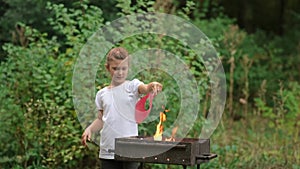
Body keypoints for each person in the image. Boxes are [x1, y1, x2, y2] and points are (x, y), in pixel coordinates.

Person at [81, 47, 163, 169]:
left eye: (123, 68)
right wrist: (90, 129)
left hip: (130, 148)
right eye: (115, 68)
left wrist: (153, 85)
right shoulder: (102, 94)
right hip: (108, 150)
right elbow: (101, 119)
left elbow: (145, 88)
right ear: (107, 68)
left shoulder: (132, 86)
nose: (120, 72)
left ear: (128, 68)